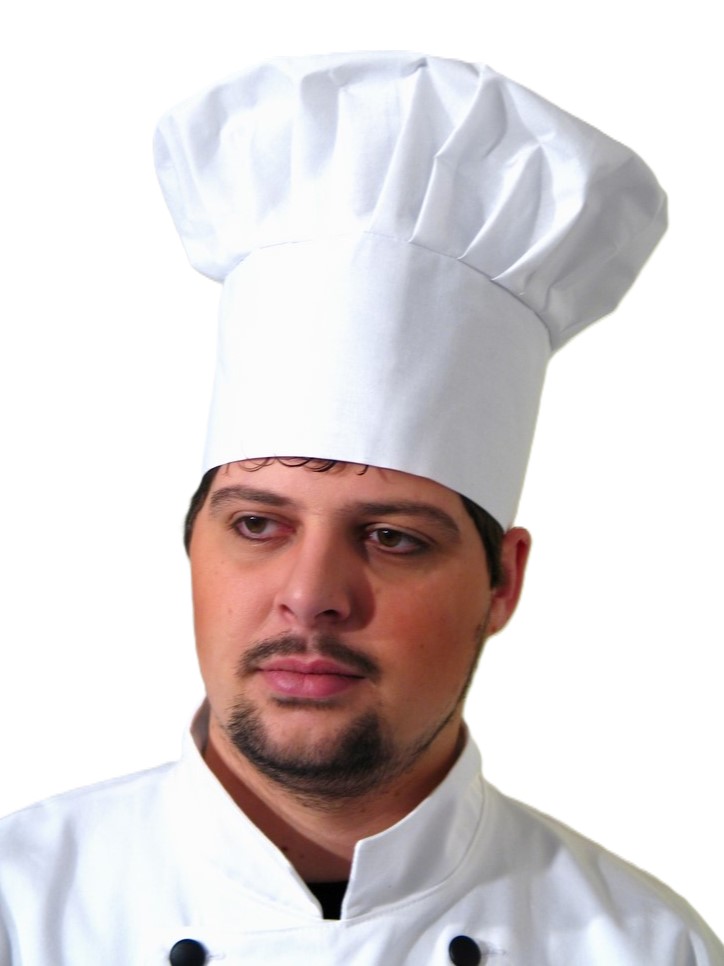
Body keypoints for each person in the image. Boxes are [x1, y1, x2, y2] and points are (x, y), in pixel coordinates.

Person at [0, 51, 721, 965]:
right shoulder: (23, 911)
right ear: (192, 550)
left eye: (391, 537)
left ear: (502, 583)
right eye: (258, 525)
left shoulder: (644, 947)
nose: (311, 596)